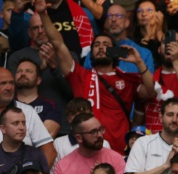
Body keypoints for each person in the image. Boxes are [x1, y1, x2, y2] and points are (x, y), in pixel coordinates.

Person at [37, 0, 153, 153]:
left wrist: (139, 62)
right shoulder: (80, 76)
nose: (101, 48)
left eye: (106, 45)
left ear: (114, 52)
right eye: (96, 45)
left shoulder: (126, 78)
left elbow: (150, 92)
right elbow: (58, 43)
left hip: (117, 150)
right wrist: (43, 15)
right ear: (91, 53)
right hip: (85, 150)